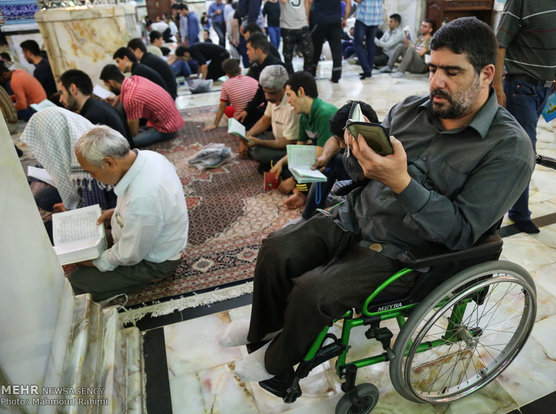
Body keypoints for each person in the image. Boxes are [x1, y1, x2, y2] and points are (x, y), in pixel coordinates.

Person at [222, 17, 535, 393]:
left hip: (405, 252)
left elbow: (461, 232)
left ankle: (276, 364)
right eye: (433, 68)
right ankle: (267, 332)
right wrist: (357, 152)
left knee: (312, 291)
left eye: (452, 72)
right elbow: (360, 175)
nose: (436, 81)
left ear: (486, 74)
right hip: (354, 215)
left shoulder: (508, 149)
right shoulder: (409, 110)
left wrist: (401, 182)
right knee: (276, 249)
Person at [68, 126, 188, 302]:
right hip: (154, 238)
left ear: (109, 163)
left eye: (91, 171)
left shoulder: (143, 198)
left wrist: (97, 262)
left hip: (156, 261)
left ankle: (153, 277)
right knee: (85, 246)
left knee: (76, 282)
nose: (92, 177)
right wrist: (116, 213)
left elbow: (130, 254)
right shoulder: (149, 157)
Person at [493, 0, 556, 234]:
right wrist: (498, 85)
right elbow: (500, 43)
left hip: (545, 88)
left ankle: (510, 207)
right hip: (520, 86)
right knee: (526, 150)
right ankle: (518, 213)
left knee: (516, 148)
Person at [21, 107, 117, 214]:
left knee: (45, 205)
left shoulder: (86, 159)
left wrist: (66, 210)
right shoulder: (75, 134)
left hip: (109, 208)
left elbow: (95, 211)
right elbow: (41, 162)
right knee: (42, 196)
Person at [269, 71, 337, 209]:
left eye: (289, 95)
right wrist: (281, 163)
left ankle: (301, 192)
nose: (288, 101)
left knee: (312, 178)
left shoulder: (324, 113)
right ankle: (301, 192)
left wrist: (294, 181)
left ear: (301, 91)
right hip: (314, 158)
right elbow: (298, 151)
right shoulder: (304, 116)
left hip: (331, 162)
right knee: (277, 165)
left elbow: (320, 156)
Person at [100, 64, 184, 147]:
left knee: (127, 143)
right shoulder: (135, 79)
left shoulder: (131, 98)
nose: (108, 89)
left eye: (107, 86)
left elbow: (133, 132)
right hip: (174, 119)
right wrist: (114, 102)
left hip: (167, 129)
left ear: (111, 82)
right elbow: (122, 93)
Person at [238, 64, 300, 170]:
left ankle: (280, 162)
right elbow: (265, 120)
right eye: (264, 92)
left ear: (284, 88)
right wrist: (245, 138)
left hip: (287, 145)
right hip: (276, 137)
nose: (266, 97)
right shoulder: (273, 98)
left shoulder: (292, 107)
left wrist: (260, 143)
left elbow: (288, 142)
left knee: (257, 153)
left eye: (271, 93)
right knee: (249, 138)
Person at [57, 69, 128, 141]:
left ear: (73, 89)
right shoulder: (98, 106)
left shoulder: (92, 117)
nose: (60, 99)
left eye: (61, 93)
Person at [237, 33, 286, 128]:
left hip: (277, 110)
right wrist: (247, 110)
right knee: (242, 120)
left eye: (249, 49)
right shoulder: (258, 65)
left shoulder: (275, 66)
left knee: (248, 126)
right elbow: (260, 91)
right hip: (267, 108)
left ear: (258, 51)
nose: (247, 53)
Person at [205, 58, 259, 130]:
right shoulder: (252, 80)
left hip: (243, 120)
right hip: (259, 115)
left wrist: (215, 124)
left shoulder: (226, 85)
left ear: (227, 74)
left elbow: (222, 106)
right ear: (240, 69)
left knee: (227, 109)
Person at [309, 0, 351, 83]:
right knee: (336, 49)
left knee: (316, 48)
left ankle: (312, 73)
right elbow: (348, 2)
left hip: (319, 21)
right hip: (335, 20)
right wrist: (345, 18)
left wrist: (307, 18)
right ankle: (336, 76)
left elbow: (309, 2)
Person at [280, 0, 313, 74]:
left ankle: (307, 77)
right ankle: (291, 77)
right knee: (287, 56)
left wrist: (307, 18)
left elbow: (307, 2)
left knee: (309, 54)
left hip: (302, 25)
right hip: (287, 26)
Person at [353, 0, 382, 79]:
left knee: (357, 44)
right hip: (376, 17)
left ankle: (366, 69)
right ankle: (369, 69)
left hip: (364, 16)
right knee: (370, 44)